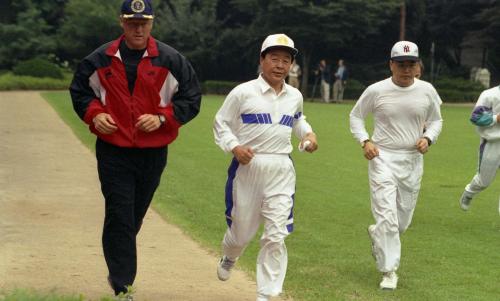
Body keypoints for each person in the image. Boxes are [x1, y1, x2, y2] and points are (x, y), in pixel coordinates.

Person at [69, 0, 202, 298]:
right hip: (113, 150)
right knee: (119, 213)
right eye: (132, 22)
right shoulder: (99, 59)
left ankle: (119, 260)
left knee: (133, 215)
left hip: (153, 153)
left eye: (144, 22)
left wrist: (162, 118)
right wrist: (94, 114)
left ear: (152, 23)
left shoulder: (171, 60)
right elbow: (79, 91)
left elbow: (192, 98)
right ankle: (122, 285)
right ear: (121, 22)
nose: (138, 28)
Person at [213, 33, 318, 301]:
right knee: (241, 233)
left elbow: (297, 120)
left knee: (276, 234)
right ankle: (230, 255)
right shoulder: (242, 92)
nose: (280, 65)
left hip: (281, 169)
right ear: (262, 60)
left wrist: (308, 134)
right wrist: (235, 147)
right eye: (274, 58)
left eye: (286, 60)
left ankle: (266, 294)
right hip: (247, 169)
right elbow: (221, 123)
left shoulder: (294, 95)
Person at [349, 41, 443, 290]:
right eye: (400, 64)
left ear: (417, 65)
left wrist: (428, 138)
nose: (406, 69)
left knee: (402, 222)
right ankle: (389, 271)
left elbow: (436, 121)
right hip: (382, 158)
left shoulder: (427, 91)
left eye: (411, 64)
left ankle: (377, 233)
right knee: (387, 218)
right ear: (391, 64)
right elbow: (356, 116)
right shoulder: (376, 90)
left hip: (412, 160)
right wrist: (365, 141)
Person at [459, 85, 500, 211]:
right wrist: (496, 118)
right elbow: (476, 117)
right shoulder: (490, 94)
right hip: (492, 143)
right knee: (483, 181)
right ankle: (469, 192)